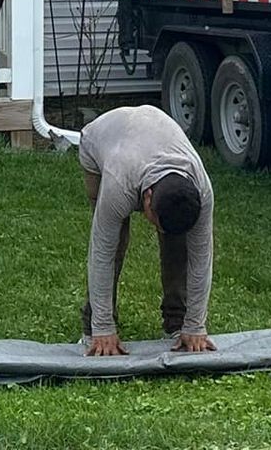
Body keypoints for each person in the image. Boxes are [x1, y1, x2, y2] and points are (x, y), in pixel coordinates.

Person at [78, 103, 216, 355]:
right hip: (102, 139)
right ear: (148, 198)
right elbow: (101, 253)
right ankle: (92, 325)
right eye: (157, 224)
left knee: (179, 242)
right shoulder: (119, 182)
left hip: (151, 137)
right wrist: (102, 328)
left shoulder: (201, 190)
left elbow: (202, 259)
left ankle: (177, 321)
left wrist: (196, 325)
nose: (158, 231)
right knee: (114, 241)